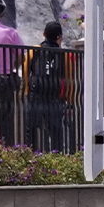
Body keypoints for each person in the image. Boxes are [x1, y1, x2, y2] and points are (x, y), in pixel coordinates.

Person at [0, 0, 28, 145]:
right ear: (2, 14)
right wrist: (12, 66)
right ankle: (6, 146)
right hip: (6, 78)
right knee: (6, 116)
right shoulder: (11, 33)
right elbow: (21, 56)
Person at [26, 21, 71, 153]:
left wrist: (26, 92)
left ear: (44, 34)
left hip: (36, 96)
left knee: (31, 130)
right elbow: (68, 79)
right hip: (54, 97)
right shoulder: (65, 55)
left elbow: (26, 72)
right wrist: (68, 99)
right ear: (60, 37)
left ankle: (30, 156)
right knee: (56, 132)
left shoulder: (34, 50)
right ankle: (57, 157)